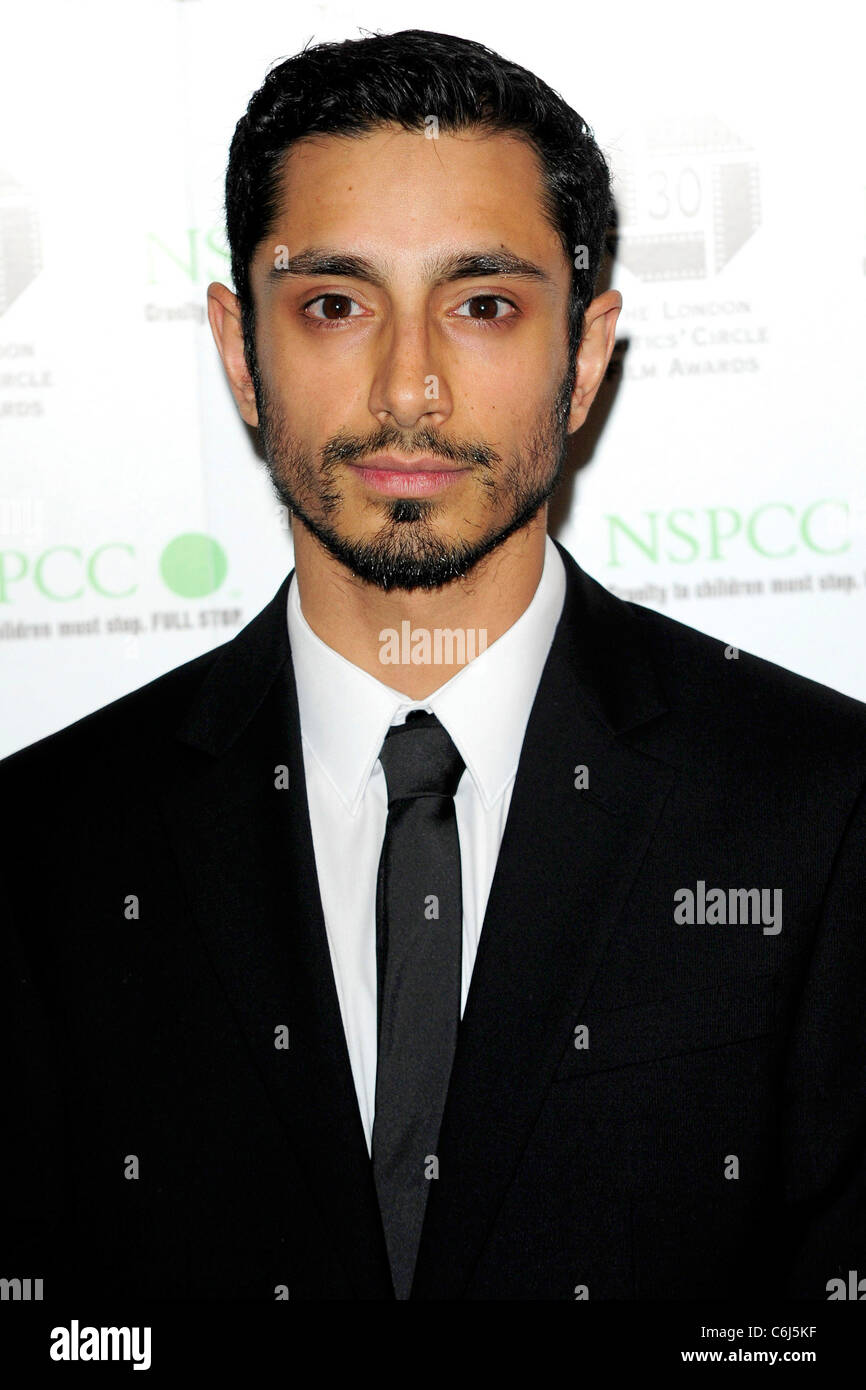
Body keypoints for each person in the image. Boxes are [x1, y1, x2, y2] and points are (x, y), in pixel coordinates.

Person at [2, 29, 864, 1302]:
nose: (409, 388)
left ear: (582, 356)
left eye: (482, 305)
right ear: (242, 351)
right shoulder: (45, 845)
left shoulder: (820, 804)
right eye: (336, 305)